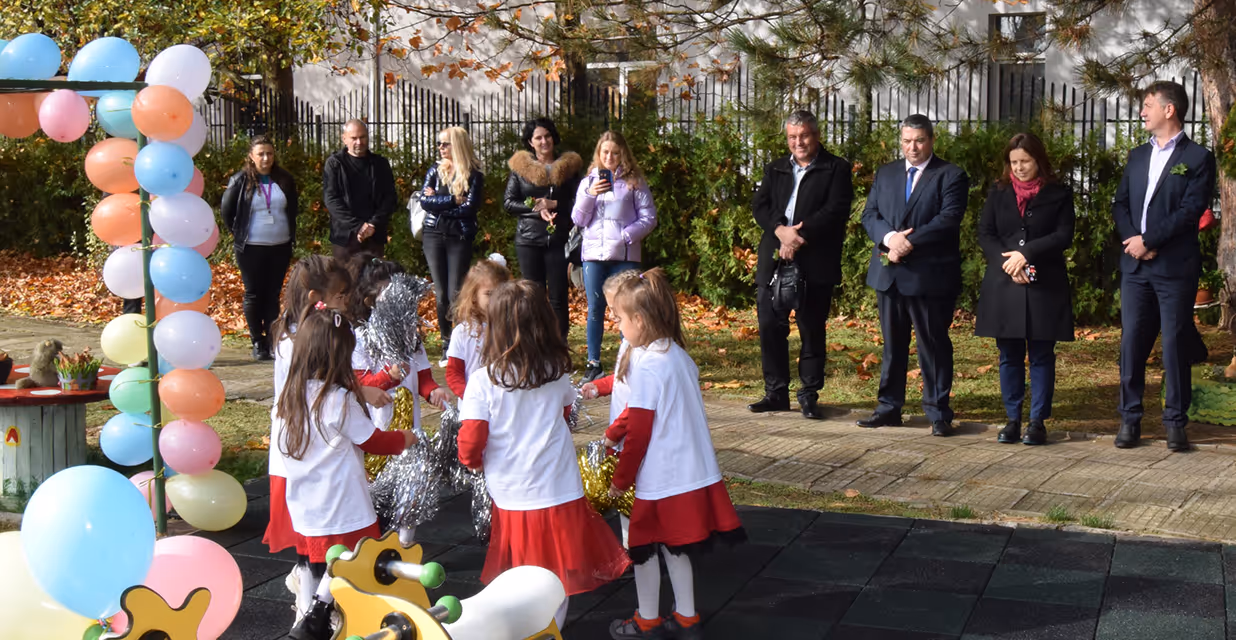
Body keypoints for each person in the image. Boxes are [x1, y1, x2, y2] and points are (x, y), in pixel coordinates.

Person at [458, 280, 630, 631]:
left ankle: (524, 631)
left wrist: (472, 463)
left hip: (514, 493)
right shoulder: (555, 371)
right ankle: (551, 630)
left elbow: (471, 441)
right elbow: (567, 413)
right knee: (557, 575)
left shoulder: (482, 381)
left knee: (518, 575)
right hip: (558, 488)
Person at [602, 268, 745, 640]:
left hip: (662, 480)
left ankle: (646, 620)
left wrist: (620, 481)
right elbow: (645, 413)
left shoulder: (647, 365)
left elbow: (640, 433)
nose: (617, 326)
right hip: (692, 473)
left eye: (618, 319)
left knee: (643, 550)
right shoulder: (677, 355)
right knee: (676, 549)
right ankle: (686, 617)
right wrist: (614, 430)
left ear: (638, 319)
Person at [277, 304, 418, 639]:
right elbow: (374, 441)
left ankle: (313, 609)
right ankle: (318, 616)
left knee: (320, 561)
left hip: (306, 501)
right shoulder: (338, 400)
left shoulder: (289, 397)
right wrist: (406, 438)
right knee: (350, 561)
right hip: (342, 504)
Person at [1113, 81, 1217, 452]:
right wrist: (1134, 242)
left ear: (1169, 110)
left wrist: (1150, 241)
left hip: (1175, 268)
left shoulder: (1198, 158)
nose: (1142, 112)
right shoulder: (1137, 156)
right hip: (1136, 268)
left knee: (1173, 344)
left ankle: (1175, 422)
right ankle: (1130, 419)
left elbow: (1190, 212)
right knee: (1132, 343)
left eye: (1147, 105)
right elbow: (1120, 204)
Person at [859, 114, 971, 436]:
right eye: (907, 141)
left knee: (932, 345)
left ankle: (938, 412)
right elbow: (870, 214)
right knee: (893, 345)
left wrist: (905, 243)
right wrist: (889, 240)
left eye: (919, 140)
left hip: (929, 276)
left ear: (932, 140)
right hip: (889, 273)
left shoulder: (950, 175)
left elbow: (948, 219)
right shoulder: (887, 173)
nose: (913, 147)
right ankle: (888, 408)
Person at [747, 110, 854, 419]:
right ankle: (776, 393)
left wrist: (798, 236)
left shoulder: (836, 168)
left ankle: (808, 393)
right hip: (774, 260)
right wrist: (781, 231)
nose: (798, 142)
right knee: (769, 326)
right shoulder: (776, 168)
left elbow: (836, 210)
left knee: (810, 328)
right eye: (792, 137)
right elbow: (760, 206)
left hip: (815, 260)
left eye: (804, 135)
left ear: (816, 135)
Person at [975, 133, 1075, 446]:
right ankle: (1012, 419)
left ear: (1038, 161)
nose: (1019, 168)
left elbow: (1063, 235)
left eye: (1025, 162)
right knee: (1009, 354)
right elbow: (986, 233)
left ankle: (1037, 422)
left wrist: (1026, 255)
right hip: (1005, 282)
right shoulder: (998, 192)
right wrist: (1008, 263)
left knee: (1042, 354)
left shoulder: (1059, 193)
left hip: (1045, 283)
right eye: (1014, 162)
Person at [571, 131, 658, 382]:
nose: (610, 157)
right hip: (594, 257)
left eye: (615, 153)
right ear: (599, 154)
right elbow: (578, 219)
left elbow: (649, 217)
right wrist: (591, 195)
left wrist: (627, 236)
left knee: (627, 308)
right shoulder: (588, 182)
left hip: (624, 255)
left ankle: (628, 361)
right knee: (595, 308)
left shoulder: (635, 182)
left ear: (623, 155)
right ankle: (594, 363)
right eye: (605, 152)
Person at [347, 257, 452, 433]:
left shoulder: (411, 336)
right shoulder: (361, 339)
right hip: (378, 426)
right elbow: (361, 384)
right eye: (389, 293)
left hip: (411, 426)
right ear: (370, 300)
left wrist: (432, 391)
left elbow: (423, 376)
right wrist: (389, 376)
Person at [221, 135, 300, 360]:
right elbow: (227, 212)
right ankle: (257, 341)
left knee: (273, 293)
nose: (266, 158)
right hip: (251, 246)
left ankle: (272, 340)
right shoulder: (240, 180)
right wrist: (238, 233)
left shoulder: (284, 179)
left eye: (270, 154)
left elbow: (292, 208)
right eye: (261, 154)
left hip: (280, 244)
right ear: (251, 157)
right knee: (254, 293)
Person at [504, 118, 584, 339]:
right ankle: (535, 344)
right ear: (530, 142)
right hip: (528, 239)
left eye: (547, 136)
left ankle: (559, 345)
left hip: (558, 238)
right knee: (532, 295)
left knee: (558, 296)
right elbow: (509, 202)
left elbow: (580, 202)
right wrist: (536, 208)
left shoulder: (569, 167)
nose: (543, 141)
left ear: (553, 137)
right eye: (538, 137)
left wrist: (555, 204)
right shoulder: (520, 169)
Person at [420, 126, 485, 366]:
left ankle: (460, 344)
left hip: (459, 236)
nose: (441, 148)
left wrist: (439, 202)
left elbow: (469, 208)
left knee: (455, 291)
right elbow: (425, 201)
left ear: (457, 144)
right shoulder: (435, 171)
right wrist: (451, 199)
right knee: (440, 293)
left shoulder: (474, 173)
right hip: (433, 234)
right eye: (439, 144)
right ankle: (447, 344)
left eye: (445, 143)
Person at [323, 119, 398, 261]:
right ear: (344, 139)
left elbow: (390, 198)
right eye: (354, 138)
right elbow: (331, 200)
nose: (359, 142)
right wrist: (358, 226)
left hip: (374, 236)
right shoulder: (335, 164)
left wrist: (372, 224)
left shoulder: (380, 164)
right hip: (345, 237)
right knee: (345, 282)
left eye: (362, 137)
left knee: (375, 281)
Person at [445, 256, 512, 398]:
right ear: (474, 295)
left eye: (500, 293)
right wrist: (469, 397)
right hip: (473, 405)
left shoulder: (511, 327)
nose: (495, 299)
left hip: (504, 405)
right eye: (489, 294)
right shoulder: (463, 331)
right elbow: (454, 373)